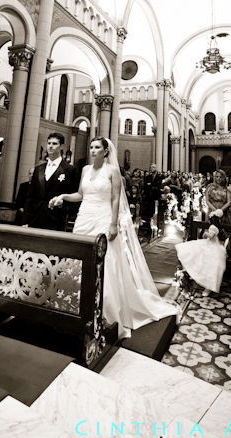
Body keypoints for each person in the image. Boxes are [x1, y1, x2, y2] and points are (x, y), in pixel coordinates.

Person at [49, 137, 177, 338]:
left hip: (103, 217)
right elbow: (81, 195)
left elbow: (116, 198)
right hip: (84, 217)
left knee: (105, 261)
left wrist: (113, 223)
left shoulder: (113, 171)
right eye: (91, 147)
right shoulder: (85, 170)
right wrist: (63, 197)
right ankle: (78, 301)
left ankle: (106, 308)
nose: (92, 150)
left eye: (97, 147)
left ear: (106, 151)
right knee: (79, 258)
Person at [23, 132, 78, 231]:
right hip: (35, 218)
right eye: (49, 143)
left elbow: (73, 195)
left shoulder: (70, 169)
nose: (50, 146)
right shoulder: (38, 169)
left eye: (54, 144)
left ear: (61, 147)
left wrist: (62, 204)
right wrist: (25, 221)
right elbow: (30, 197)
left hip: (56, 219)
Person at [176, 223, 228, 296]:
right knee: (194, 253)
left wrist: (207, 234)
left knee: (212, 264)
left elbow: (211, 236)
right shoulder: (213, 226)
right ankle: (194, 276)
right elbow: (206, 236)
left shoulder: (215, 230)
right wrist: (206, 235)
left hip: (213, 249)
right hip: (207, 245)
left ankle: (208, 286)